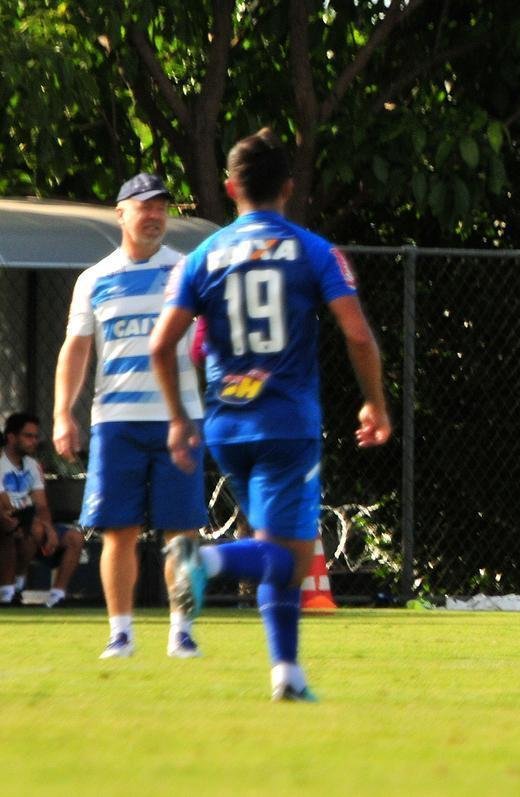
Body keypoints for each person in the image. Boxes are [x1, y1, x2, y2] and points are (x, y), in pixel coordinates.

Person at [149, 127, 391, 702]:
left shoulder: (201, 257)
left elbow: (161, 346)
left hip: (226, 425)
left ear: (231, 188)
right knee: (289, 558)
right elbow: (357, 334)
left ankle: (287, 674)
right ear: (288, 186)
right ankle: (203, 560)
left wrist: (179, 419)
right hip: (286, 423)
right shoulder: (314, 251)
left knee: (273, 550)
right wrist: (375, 401)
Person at [53, 172, 207, 657]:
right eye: (145, 206)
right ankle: (120, 633)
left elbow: (212, 336)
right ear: (121, 214)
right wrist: (62, 413)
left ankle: (182, 631)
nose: (155, 215)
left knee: (182, 530)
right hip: (115, 421)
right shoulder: (94, 279)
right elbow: (76, 349)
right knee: (117, 530)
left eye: (161, 207)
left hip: (179, 419)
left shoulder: (186, 270)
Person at [0, 413, 84, 607]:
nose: (34, 441)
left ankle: (56, 596)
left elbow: (42, 505)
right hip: (8, 522)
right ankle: (13, 587)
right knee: (29, 529)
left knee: (75, 538)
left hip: (32, 522)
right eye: (28, 436)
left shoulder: (33, 465)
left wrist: (49, 528)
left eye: (36, 437)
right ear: (11, 437)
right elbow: (4, 504)